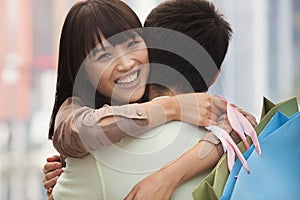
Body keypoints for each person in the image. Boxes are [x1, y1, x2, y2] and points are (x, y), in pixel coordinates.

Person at [43, 0, 257, 199]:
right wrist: (171, 108)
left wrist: (169, 176)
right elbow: (75, 130)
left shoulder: (97, 159)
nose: (126, 63)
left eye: (131, 44)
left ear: (150, 51)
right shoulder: (242, 144)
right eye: (104, 56)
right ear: (216, 74)